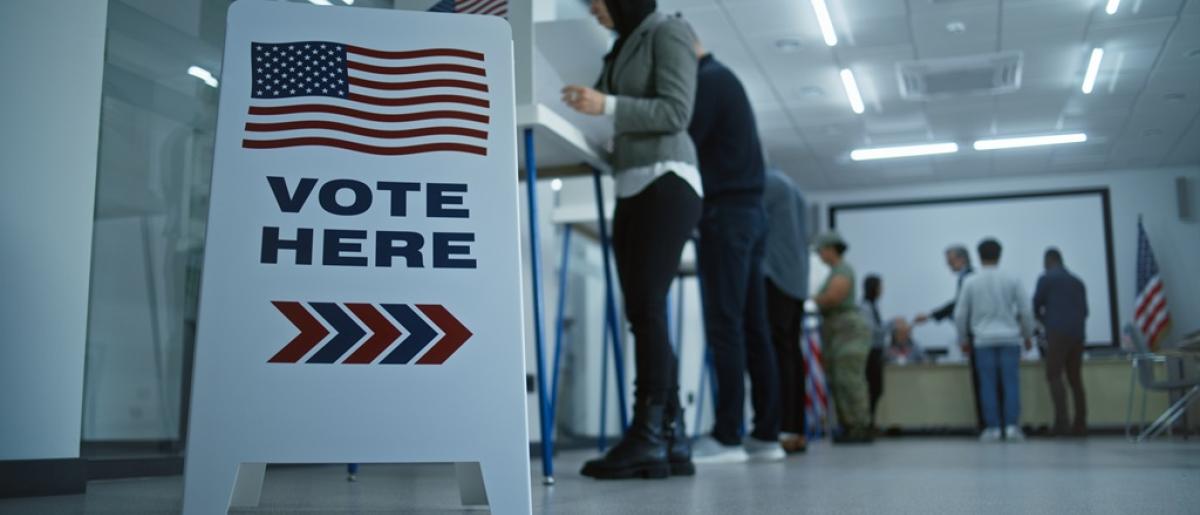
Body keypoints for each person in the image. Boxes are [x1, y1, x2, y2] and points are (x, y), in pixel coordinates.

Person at [563, 0, 702, 479]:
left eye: (598, 1)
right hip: (632, 180)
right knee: (646, 310)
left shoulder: (668, 31)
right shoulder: (621, 45)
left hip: (666, 177)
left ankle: (648, 435)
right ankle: (671, 436)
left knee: (645, 307)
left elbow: (676, 111)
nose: (595, 10)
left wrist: (609, 105)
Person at [683, 26, 782, 465]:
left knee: (725, 324)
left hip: (727, 216)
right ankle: (766, 436)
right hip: (751, 214)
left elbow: (686, 141)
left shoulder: (709, 81)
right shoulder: (726, 79)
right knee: (753, 326)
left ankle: (726, 437)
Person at [954, 238, 1036, 443]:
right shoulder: (1012, 278)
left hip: (982, 340)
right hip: (1009, 339)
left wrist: (963, 338)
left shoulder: (970, 281)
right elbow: (1026, 310)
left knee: (987, 385)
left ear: (978, 256)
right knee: (1011, 384)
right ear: (1000, 255)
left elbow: (960, 314)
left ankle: (991, 428)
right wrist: (1027, 335)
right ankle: (1010, 427)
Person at [761, 169, 810, 454]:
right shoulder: (792, 186)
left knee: (777, 356)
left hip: (775, 278)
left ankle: (780, 429)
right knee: (791, 356)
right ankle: (794, 430)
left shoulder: (767, 184)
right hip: (795, 282)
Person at [812, 231, 874, 444]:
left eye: (821, 250)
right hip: (836, 331)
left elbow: (833, 297)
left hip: (848, 330)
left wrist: (811, 300)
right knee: (839, 379)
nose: (819, 255)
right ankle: (849, 426)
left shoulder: (842, 270)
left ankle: (860, 426)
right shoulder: (835, 271)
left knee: (849, 379)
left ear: (831, 249)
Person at [915, 244, 984, 429]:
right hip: (975, 334)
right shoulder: (965, 277)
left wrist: (931, 316)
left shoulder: (970, 277)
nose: (948, 266)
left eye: (950, 261)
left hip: (976, 335)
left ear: (961, 259)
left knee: (981, 382)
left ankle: (986, 424)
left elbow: (959, 306)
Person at [1033, 248, 1089, 436]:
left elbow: (1035, 306)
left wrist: (1046, 322)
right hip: (1078, 334)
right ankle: (1080, 425)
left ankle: (1061, 424)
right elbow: (1085, 311)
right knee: (1075, 379)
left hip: (1057, 334)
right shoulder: (1077, 281)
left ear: (1048, 261)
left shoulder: (1046, 279)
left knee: (1054, 375)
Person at [860, 275, 886, 430]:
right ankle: (867, 422)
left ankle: (871, 420)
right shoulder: (864, 306)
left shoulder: (874, 305)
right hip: (868, 351)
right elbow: (872, 330)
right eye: (880, 286)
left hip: (877, 350)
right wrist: (891, 325)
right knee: (871, 387)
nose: (882, 290)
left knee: (877, 388)